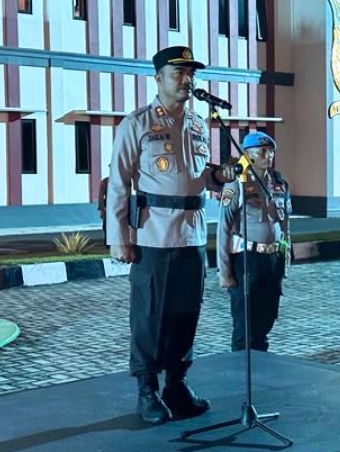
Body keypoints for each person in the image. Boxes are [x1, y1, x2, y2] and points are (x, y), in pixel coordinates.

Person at [106, 46, 236, 425]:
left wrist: (218, 176)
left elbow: (197, 174)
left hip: (192, 234)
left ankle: (176, 386)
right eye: (178, 72)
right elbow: (119, 182)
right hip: (154, 236)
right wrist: (119, 236)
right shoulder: (137, 124)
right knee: (150, 316)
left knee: (186, 315)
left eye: (191, 73)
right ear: (159, 78)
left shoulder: (198, 124)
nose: (187, 79)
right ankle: (147, 390)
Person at [217, 131, 291, 352]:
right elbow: (223, 229)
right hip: (247, 259)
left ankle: (261, 360)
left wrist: (285, 259)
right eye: (263, 152)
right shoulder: (236, 185)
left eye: (271, 151)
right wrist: (224, 272)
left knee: (267, 316)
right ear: (248, 155)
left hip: (272, 259)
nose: (269, 156)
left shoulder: (279, 184)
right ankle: (241, 365)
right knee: (245, 322)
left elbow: (285, 226)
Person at [98, 174, 109, 247]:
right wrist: (102, 209)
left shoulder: (123, 180)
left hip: (120, 207)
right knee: (106, 226)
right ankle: (107, 242)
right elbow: (101, 196)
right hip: (108, 208)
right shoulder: (105, 181)